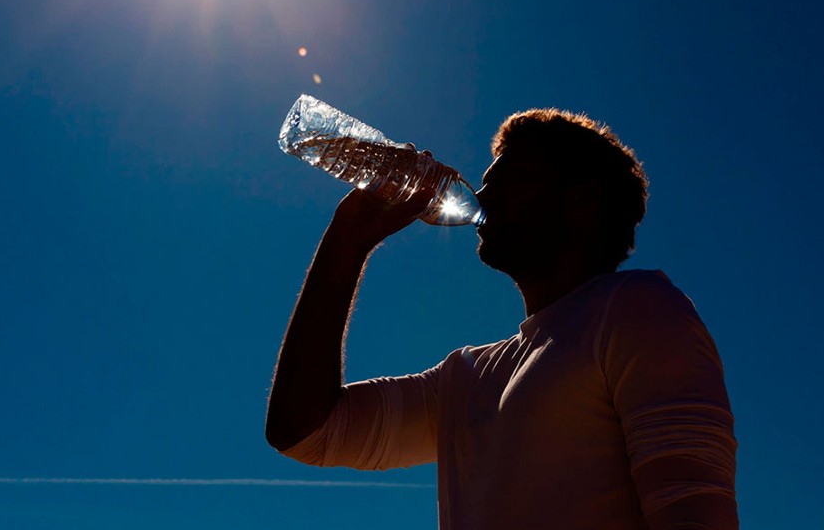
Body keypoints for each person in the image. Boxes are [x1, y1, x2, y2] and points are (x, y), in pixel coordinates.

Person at [266, 108, 738, 529]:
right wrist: (348, 239)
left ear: (580, 201)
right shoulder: (465, 378)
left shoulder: (638, 307)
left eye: (510, 179)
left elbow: (693, 511)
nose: (483, 194)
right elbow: (305, 431)